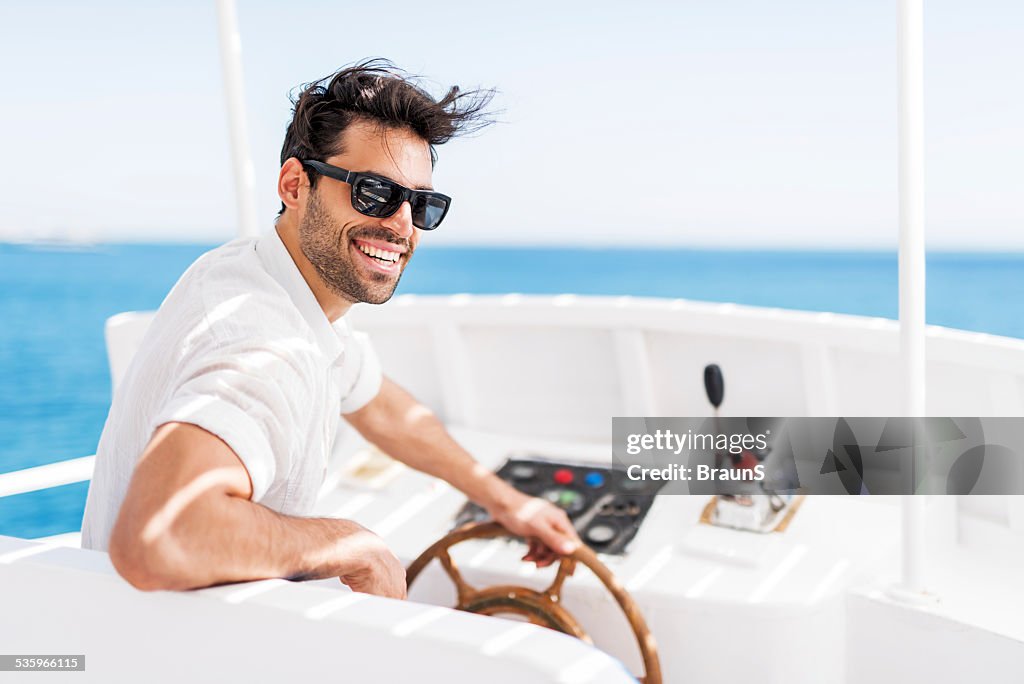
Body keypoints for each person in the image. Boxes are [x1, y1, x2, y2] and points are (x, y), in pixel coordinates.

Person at [80, 60, 580, 599]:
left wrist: (506, 500)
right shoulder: (263, 340)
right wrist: (348, 544)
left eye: (422, 204)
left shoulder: (270, 279)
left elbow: (383, 407)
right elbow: (160, 536)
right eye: (373, 193)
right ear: (295, 185)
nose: (401, 224)